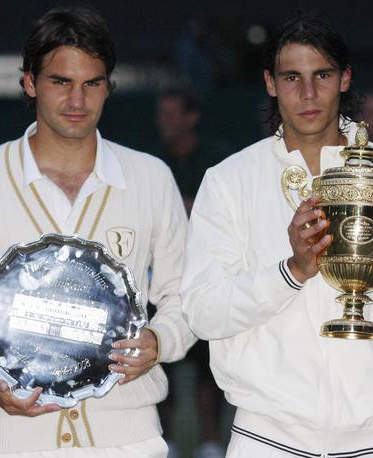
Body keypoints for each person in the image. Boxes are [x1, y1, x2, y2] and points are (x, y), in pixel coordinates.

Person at [0, 6, 195, 457]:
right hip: (12, 440)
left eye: (92, 83)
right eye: (60, 82)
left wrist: (162, 340)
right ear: (29, 83)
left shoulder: (150, 177)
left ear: (108, 87)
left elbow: (188, 292)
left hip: (130, 437)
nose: (77, 101)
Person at [181, 15, 373, 458]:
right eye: (292, 77)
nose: (308, 93)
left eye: (322, 75)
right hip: (266, 439)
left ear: (345, 78)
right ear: (270, 83)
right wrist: (291, 272)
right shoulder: (229, 180)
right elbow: (202, 313)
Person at [154, 88, 226, 458]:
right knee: (159, 359)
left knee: (207, 368)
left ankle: (210, 442)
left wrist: (189, 208)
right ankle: (163, 441)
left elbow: (217, 214)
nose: (166, 121)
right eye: (161, 113)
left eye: (173, 112)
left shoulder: (214, 162)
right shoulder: (153, 164)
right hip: (159, 282)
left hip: (203, 278)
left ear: (191, 116)